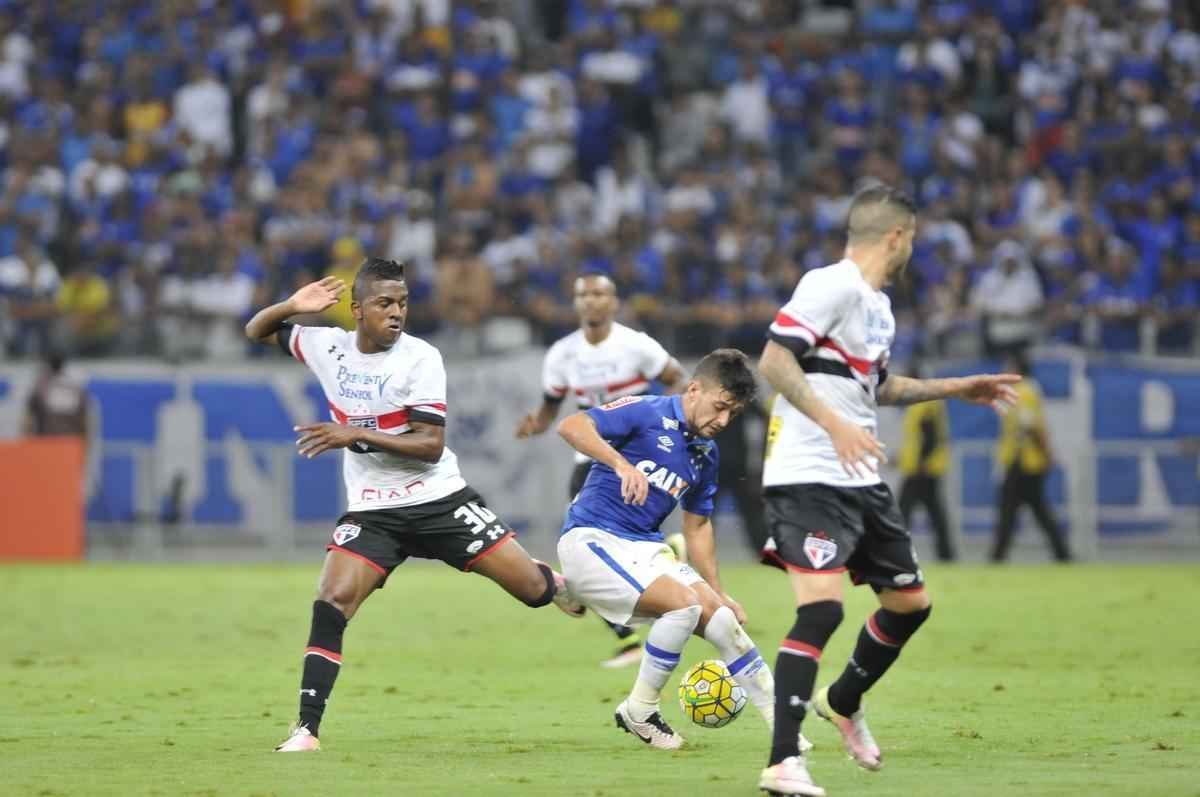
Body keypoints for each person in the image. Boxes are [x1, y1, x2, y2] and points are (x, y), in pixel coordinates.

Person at [244, 259, 582, 753]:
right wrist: (293, 306)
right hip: (374, 511)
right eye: (384, 303)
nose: (396, 313)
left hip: (439, 500)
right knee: (332, 598)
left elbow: (430, 445)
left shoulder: (420, 358)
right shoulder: (327, 346)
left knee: (531, 590)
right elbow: (257, 329)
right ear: (357, 310)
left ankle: (555, 584)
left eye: (402, 303)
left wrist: (355, 431)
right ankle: (306, 730)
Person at [755, 186, 1020, 797]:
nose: (913, 247)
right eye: (914, 237)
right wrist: (834, 423)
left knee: (910, 605)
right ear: (898, 236)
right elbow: (773, 360)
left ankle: (844, 701)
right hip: (807, 472)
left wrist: (958, 387)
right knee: (821, 607)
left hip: (860, 477)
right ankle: (782, 762)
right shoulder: (831, 284)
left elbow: (881, 388)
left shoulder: (877, 306)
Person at [555, 349, 795, 750]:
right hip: (591, 539)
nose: (722, 421)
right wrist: (620, 464)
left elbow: (698, 526)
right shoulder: (647, 411)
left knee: (720, 620)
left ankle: (784, 732)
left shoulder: (705, 452)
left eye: (732, 414)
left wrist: (718, 591)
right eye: (719, 407)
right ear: (695, 388)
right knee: (682, 606)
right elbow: (571, 425)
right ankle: (640, 710)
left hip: (642, 547)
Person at [516, 272, 686, 668]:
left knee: (592, 543)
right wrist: (535, 424)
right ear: (576, 303)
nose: (592, 301)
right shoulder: (562, 353)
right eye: (584, 295)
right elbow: (550, 406)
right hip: (590, 458)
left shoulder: (636, 346)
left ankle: (629, 630)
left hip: (637, 456)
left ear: (613, 302)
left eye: (599, 294)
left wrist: (667, 424)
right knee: (583, 541)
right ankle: (631, 627)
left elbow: (676, 378)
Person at [989, 354, 1072, 563]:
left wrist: (1046, 454)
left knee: (1010, 511)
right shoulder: (1027, 391)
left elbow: (1030, 426)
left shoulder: (1023, 392)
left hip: (1023, 461)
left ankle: (998, 556)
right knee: (1036, 511)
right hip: (1024, 461)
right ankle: (1062, 554)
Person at [896, 361, 955, 562]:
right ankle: (946, 555)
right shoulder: (926, 401)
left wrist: (920, 462)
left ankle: (896, 554)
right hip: (925, 466)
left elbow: (929, 436)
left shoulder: (924, 402)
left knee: (902, 513)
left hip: (921, 468)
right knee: (935, 514)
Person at [22, 351, 90, 442]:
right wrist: (85, 442)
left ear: (47, 366)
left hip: (47, 443)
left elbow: (28, 422)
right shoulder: (76, 390)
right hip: (71, 443)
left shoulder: (40, 389)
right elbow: (84, 422)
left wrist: (27, 441)